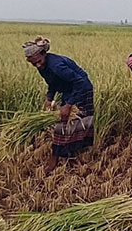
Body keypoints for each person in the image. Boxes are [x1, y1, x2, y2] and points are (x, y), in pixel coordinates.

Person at [23, 36, 94, 173]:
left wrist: (68, 104)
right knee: (66, 123)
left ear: (43, 54)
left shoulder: (56, 66)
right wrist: (49, 98)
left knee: (73, 124)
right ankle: (68, 155)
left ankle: (60, 158)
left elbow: (79, 82)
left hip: (82, 89)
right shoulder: (42, 66)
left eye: (39, 61)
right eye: (34, 64)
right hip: (69, 89)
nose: (38, 65)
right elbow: (53, 83)